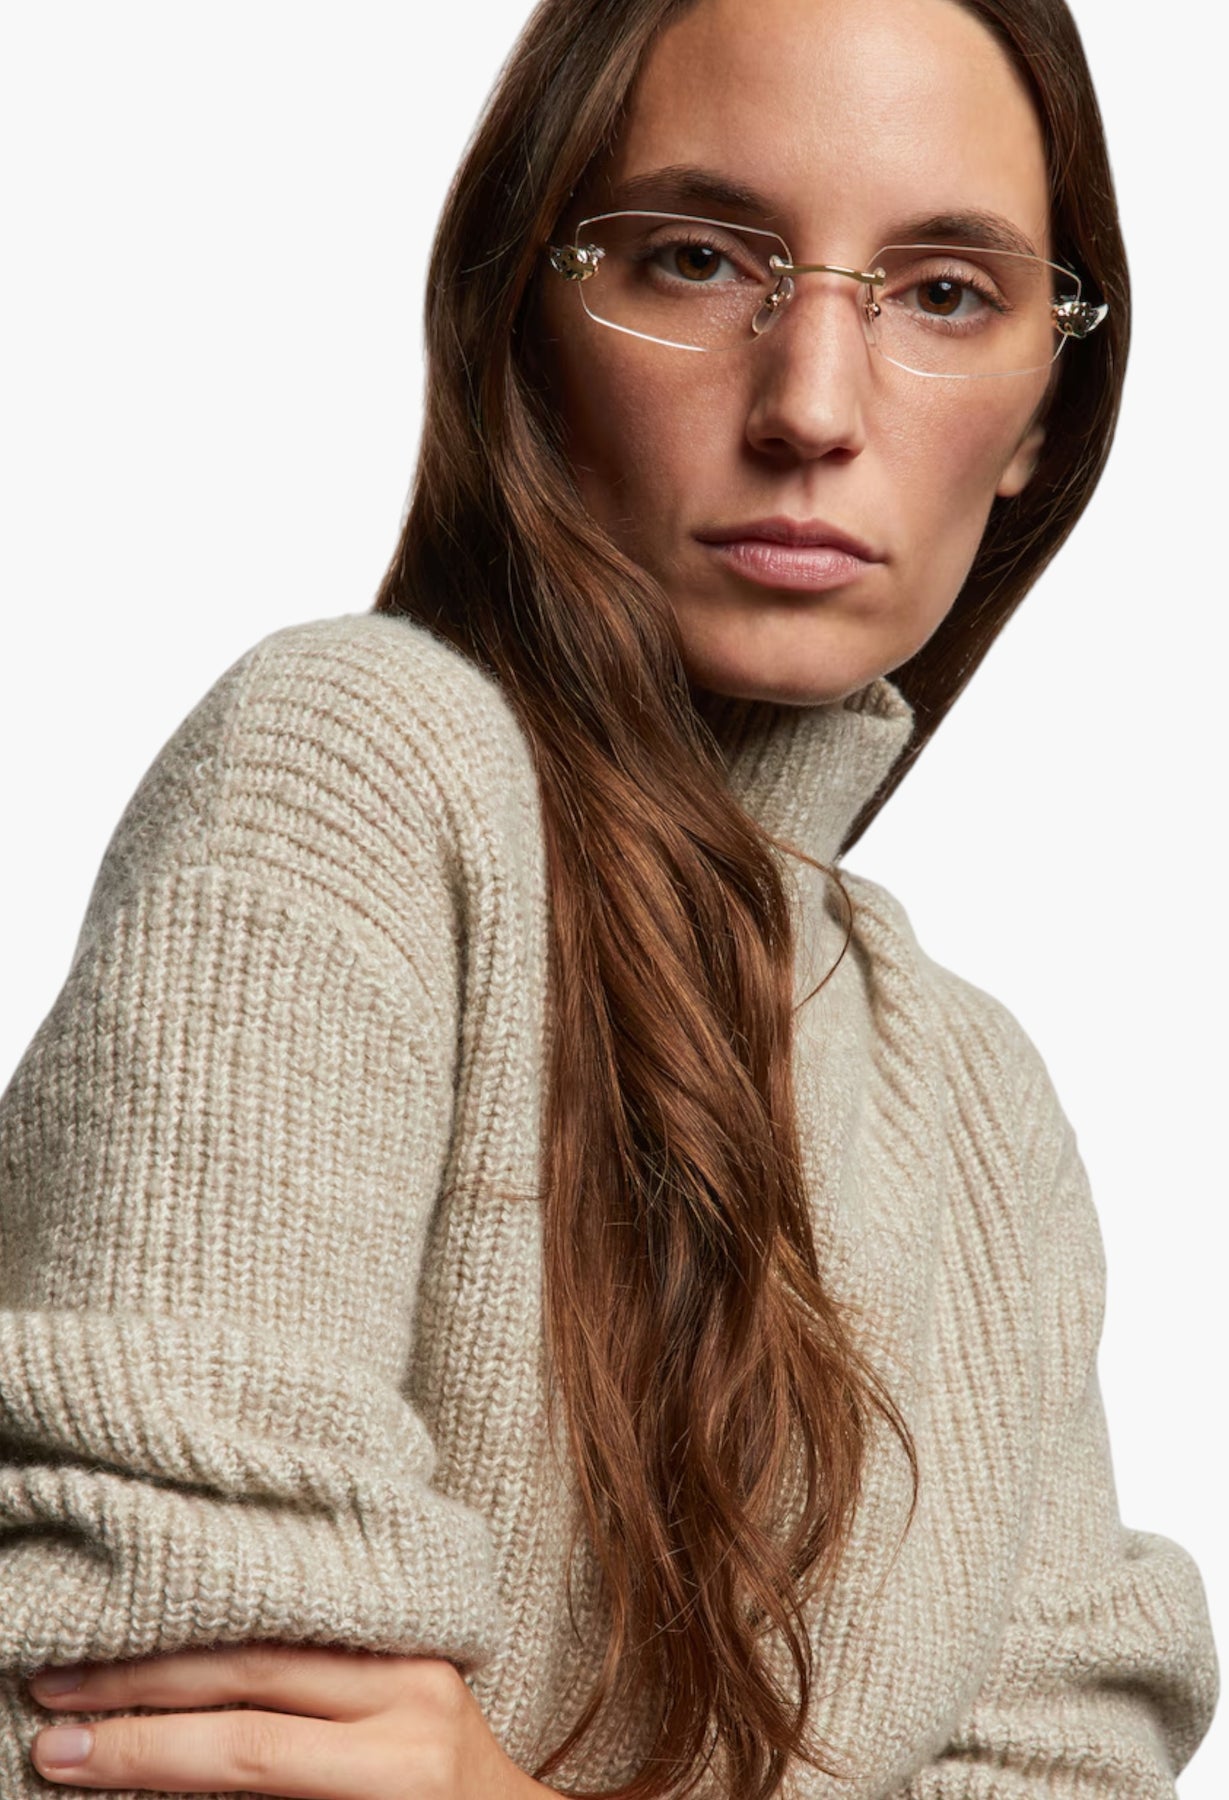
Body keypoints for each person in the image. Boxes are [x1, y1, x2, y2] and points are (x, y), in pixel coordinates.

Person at [0, 0, 1218, 1794]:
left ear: (1046, 408)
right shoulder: (354, 775)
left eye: (945, 293)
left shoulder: (980, 1115)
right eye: (698, 260)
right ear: (526, 318)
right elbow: (134, 1722)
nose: (811, 407)